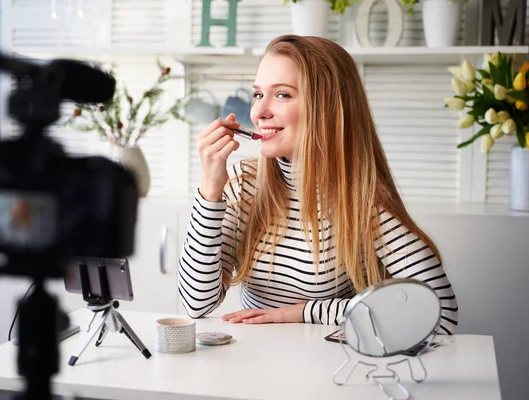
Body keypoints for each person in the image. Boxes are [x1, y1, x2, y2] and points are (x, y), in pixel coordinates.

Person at [178, 34, 458, 334]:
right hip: (250, 363)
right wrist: (210, 189)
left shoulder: (361, 200)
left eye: (282, 95)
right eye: (258, 94)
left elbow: (441, 317)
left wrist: (305, 313)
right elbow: (196, 303)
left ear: (326, 108)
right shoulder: (242, 185)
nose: (259, 112)